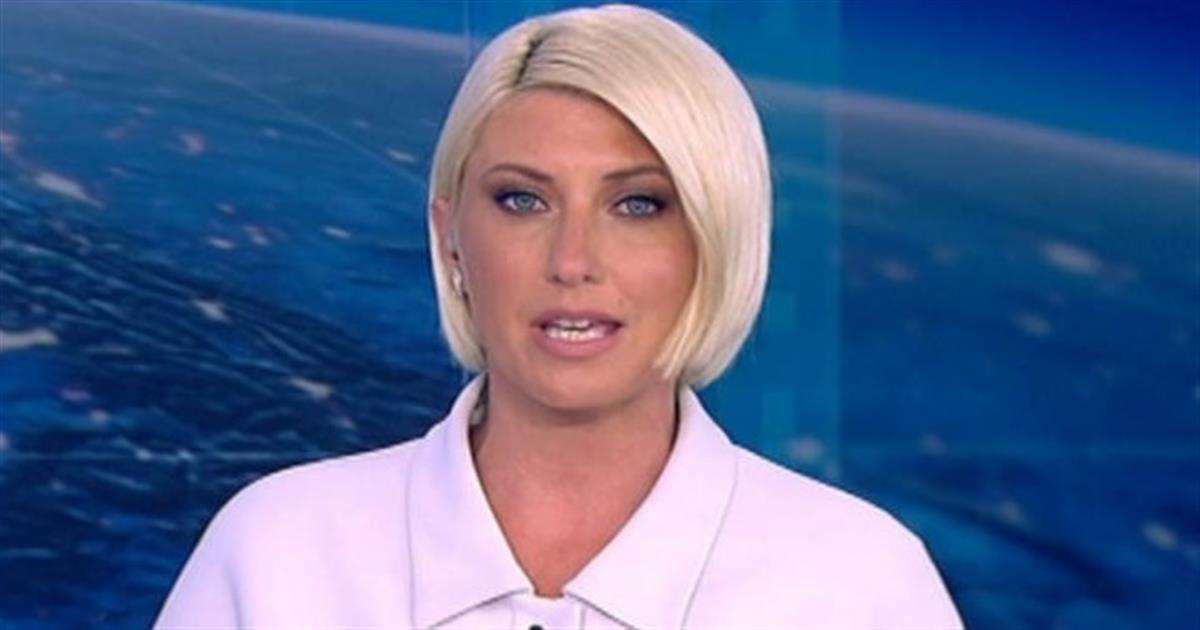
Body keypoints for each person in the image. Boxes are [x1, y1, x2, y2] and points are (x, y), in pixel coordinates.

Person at [156, 4, 962, 628]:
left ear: (717, 239)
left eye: (638, 205)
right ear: (451, 237)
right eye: (523, 200)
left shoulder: (857, 584)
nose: (573, 261)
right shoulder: (278, 553)